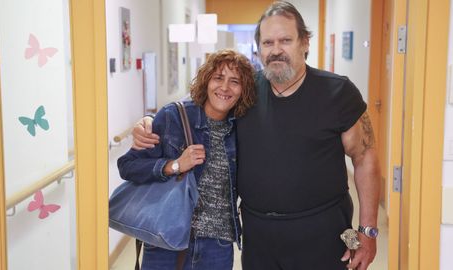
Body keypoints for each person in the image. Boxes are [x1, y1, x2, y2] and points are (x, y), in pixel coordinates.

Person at [132, 2, 381, 269]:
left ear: (305, 42)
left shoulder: (338, 93)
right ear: (259, 48)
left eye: (285, 40)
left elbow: (364, 157)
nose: (276, 50)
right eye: (267, 42)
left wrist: (368, 231)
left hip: (322, 233)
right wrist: (150, 122)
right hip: (259, 237)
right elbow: (200, 108)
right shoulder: (245, 91)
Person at [118, 49, 255, 270]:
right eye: (218, 78)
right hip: (166, 240)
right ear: (206, 80)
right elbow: (127, 166)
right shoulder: (174, 116)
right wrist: (174, 165)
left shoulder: (242, 127)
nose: (225, 87)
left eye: (235, 81)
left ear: (243, 89)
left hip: (217, 246)